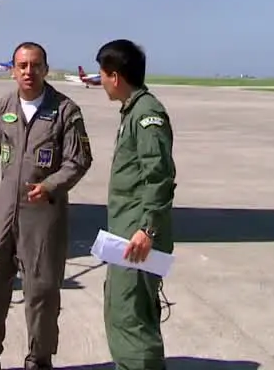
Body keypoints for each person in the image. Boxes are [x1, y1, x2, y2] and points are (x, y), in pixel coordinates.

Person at [0, 42, 94, 370]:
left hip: (43, 214)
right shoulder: (3, 107)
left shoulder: (65, 111)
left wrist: (51, 186)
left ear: (45, 68)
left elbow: (79, 160)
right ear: (13, 71)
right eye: (22, 66)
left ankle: (39, 360)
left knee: (41, 288)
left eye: (35, 65)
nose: (29, 72)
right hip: (5, 210)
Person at [96, 39, 177, 370]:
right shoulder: (134, 111)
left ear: (115, 76)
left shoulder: (147, 115)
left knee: (131, 319)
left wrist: (147, 229)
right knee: (124, 312)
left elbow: (159, 177)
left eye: (102, 74)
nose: (100, 81)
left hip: (138, 240)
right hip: (127, 236)